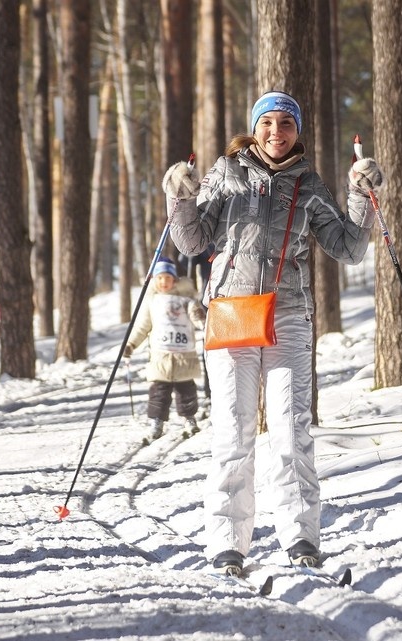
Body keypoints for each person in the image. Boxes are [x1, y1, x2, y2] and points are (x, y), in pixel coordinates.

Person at [160, 90, 384, 575]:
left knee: (290, 432)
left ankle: (301, 539)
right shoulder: (226, 173)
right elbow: (193, 241)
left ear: (296, 131)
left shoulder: (308, 183)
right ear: (255, 126)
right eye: (268, 122)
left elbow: (348, 249)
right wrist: (180, 196)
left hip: (288, 316)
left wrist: (361, 195)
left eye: (286, 123)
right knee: (233, 432)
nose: (276, 131)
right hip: (232, 313)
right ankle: (227, 544)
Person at [124, 257, 207, 442]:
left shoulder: (187, 300)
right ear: (154, 280)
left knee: (187, 391)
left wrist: (200, 316)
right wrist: (130, 344)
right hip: (161, 356)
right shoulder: (152, 301)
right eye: (160, 278)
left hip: (184, 355)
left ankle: (189, 419)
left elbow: (198, 321)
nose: (164, 282)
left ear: (174, 280)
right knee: (158, 393)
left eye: (168, 278)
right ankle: (157, 422)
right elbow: (142, 327)